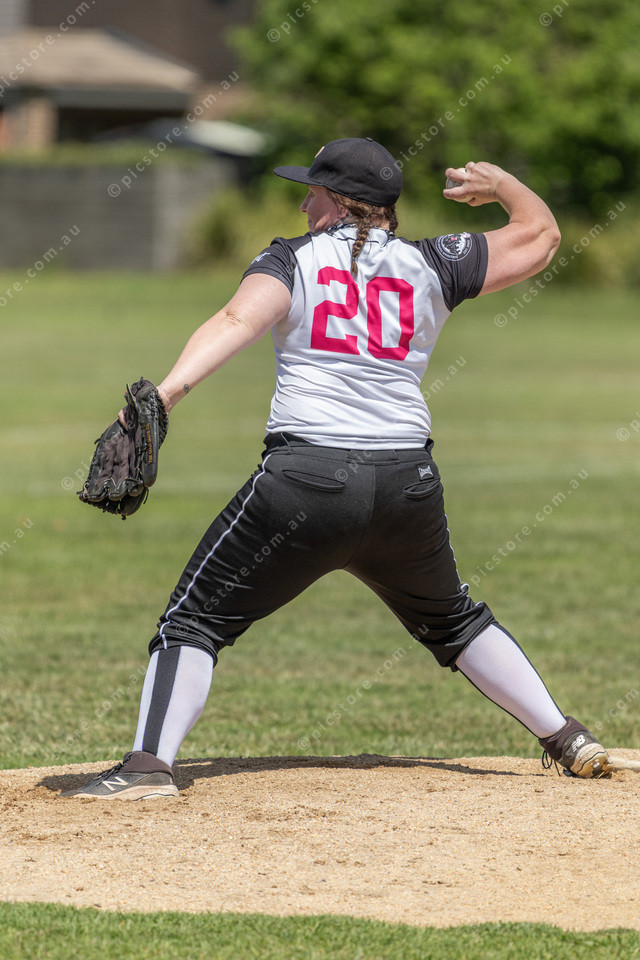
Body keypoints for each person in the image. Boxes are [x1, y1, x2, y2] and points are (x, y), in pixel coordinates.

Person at [63, 137, 611, 800]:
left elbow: (237, 319)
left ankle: (148, 768)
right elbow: (542, 236)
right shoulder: (433, 263)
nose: (303, 204)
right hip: (407, 485)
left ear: (340, 202)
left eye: (312, 192)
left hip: (306, 482)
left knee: (194, 620)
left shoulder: (292, 259)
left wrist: (164, 397)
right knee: (454, 620)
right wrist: (502, 185)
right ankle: (567, 737)